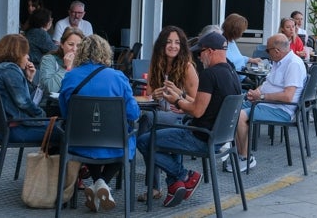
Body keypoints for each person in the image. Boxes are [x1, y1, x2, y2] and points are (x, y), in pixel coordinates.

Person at [137, 32, 241, 208]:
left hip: (200, 137)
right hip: (220, 138)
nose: (199, 58)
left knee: (144, 141)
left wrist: (176, 100)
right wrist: (182, 95)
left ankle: (184, 176)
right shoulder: (232, 73)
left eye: (200, 53)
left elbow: (197, 111)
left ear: (209, 51)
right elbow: (206, 105)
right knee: (169, 131)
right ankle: (174, 185)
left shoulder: (210, 74)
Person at [58, 34, 140, 212]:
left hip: (78, 142)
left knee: (93, 143)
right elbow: (133, 113)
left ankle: (98, 184)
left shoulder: (70, 77)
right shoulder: (118, 77)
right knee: (128, 140)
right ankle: (102, 184)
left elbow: (65, 113)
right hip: (115, 144)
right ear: (105, 52)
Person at [137, 26, 199, 202]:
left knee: (146, 124)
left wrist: (180, 96)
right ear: (162, 45)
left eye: (177, 43)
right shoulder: (156, 63)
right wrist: (154, 94)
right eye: (169, 42)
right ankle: (176, 180)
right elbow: (149, 94)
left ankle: (160, 184)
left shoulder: (187, 67)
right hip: (160, 111)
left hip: (181, 114)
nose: (173, 46)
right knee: (147, 123)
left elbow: (196, 101)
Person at [230, 33, 307, 173]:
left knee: (240, 116)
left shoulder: (293, 64)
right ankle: (236, 150)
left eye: (268, 50)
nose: (266, 53)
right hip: (267, 103)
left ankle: (245, 157)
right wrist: (255, 92)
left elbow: (288, 97)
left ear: (276, 51)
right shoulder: (279, 62)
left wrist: (262, 96)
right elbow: (268, 83)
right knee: (231, 108)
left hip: (281, 109)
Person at [0, 34, 56, 144]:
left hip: (6, 129)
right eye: (25, 53)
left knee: (59, 127)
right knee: (64, 131)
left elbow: (23, 99)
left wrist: (28, 79)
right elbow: (23, 102)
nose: (28, 57)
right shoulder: (10, 69)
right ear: (17, 53)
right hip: (17, 129)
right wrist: (42, 115)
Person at [39, 27, 85, 113]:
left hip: (78, 106)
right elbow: (50, 89)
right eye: (71, 44)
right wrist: (65, 68)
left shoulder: (84, 63)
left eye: (79, 46)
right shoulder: (49, 59)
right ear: (62, 44)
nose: (74, 49)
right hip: (53, 108)